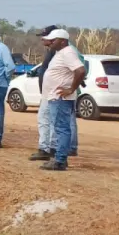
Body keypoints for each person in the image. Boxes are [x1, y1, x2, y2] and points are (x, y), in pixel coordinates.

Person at [38, 29, 85, 171]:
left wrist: (71, 89)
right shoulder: (61, 53)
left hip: (60, 98)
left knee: (61, 129)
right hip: (55, 97)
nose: (51, 43)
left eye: (54, 40)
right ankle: (59, 159)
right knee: (60, 128)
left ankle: (59, 161)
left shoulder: (68, 52)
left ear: (62, 41)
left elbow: (80, 70)